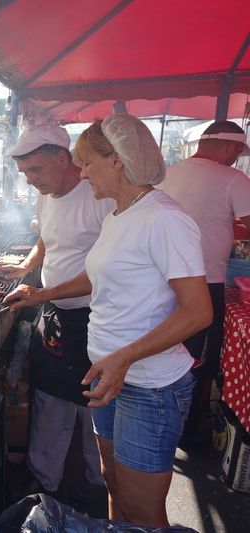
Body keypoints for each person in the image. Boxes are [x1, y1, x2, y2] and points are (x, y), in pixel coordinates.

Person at [5, 114, 212, 527]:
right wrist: (41, 294)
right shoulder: (120, 213)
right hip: (111, 378)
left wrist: (124, 358)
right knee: (114, 489)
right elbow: (94, 275)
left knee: (144, 512)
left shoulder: (164, 218)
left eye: (87, 162)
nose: (81, 172)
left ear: (117, 161)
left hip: (148, 385)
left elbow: (198, 311)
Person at [1, 124, 113, 499]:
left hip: (93, 317)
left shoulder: (99, 196)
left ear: (63, 159)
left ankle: (99, 484)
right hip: (53, 313)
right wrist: (25, 267)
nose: (31, 180)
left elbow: (103, 271)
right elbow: (46, 239)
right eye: (25, 173)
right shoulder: (46, 195)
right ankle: (43, 479)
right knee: (49, 396)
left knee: (89, 402)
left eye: (36, 170)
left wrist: (42, 292)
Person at [158, 121, 250, 439]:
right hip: (204, 282)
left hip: (161, 279)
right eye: (237, 151)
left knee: (166, 346)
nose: (237, 158)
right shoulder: (233, 178)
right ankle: (185, 424)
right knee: (200, 357)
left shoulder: (169, 173)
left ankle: (162, 413)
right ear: (228, 147)